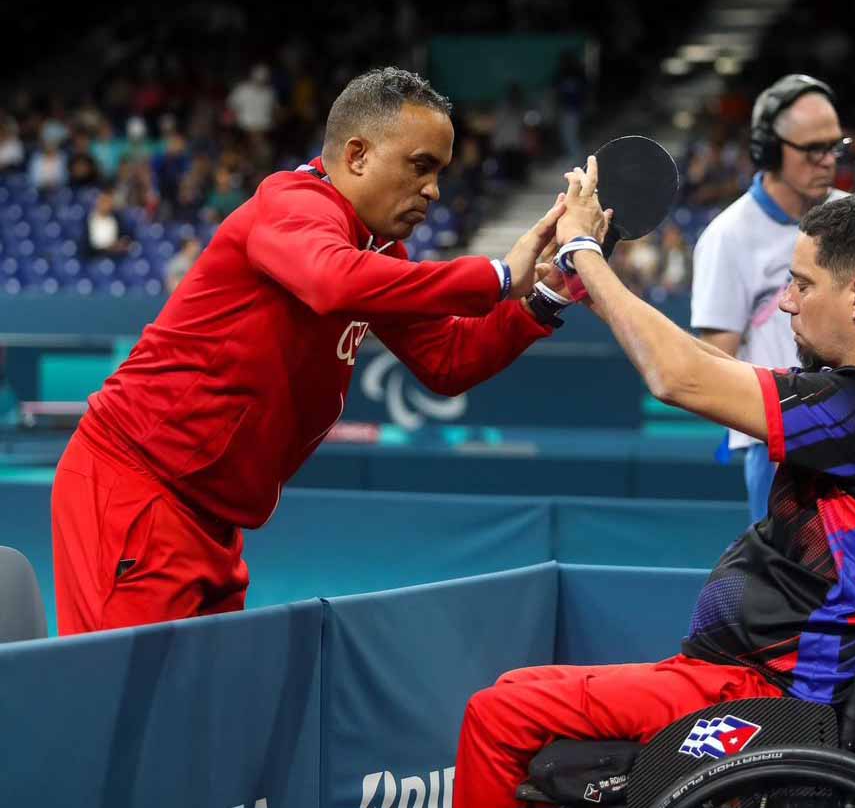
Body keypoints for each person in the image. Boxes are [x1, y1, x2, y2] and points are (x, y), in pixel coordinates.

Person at [453, 160, 855, 808]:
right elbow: (708, 363)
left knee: (498, 714)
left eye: (801, 284)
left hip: (771, 701)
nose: (787, 303)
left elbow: (677, 378)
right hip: (749, 683)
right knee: (517, 696)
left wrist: (584, 249)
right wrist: (590, 280)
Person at [50, 67, 571, 635]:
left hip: (213, 518)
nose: (433, 190)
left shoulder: (376, 249)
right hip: (140, 488)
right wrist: (497, 276)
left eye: (439, 172)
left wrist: (543, 298)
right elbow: (330, 280)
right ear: (357, 155)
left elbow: (447, 360)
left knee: (201, 690)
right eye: (420, 166)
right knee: (114, 690)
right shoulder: (294, 204)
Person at [691, 73, 851, 523]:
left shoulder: (853, 218)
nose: (828, 161)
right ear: (769, 150)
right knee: (787, 565)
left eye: (835, 146)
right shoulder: (728, 237)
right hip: (780, 448)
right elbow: (715, 365)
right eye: (813, 149)